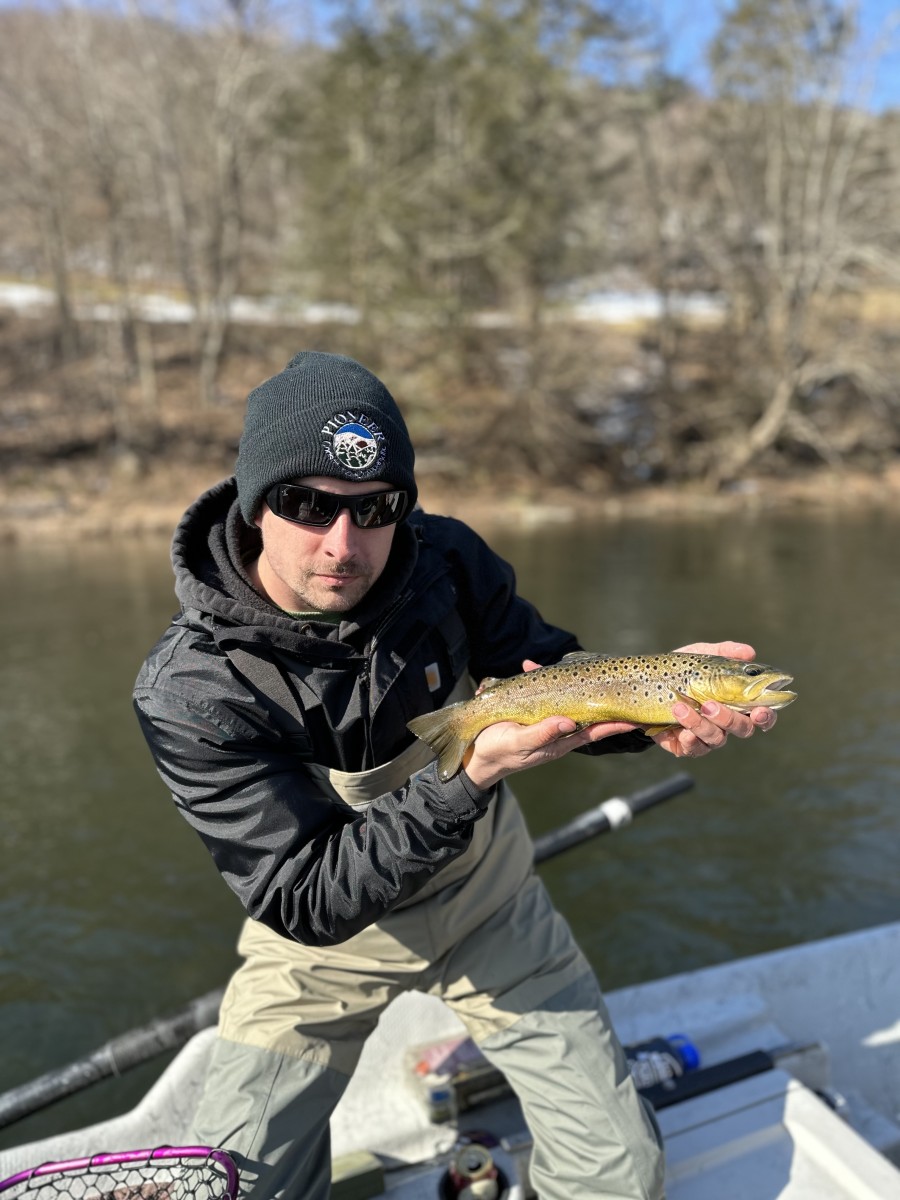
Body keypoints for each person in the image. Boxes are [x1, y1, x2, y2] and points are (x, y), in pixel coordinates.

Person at [133, 351, 778, 1200]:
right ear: (257, 505)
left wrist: (656, 711)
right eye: (307, 505)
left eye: (376, 509)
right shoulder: (193, 689)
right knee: (235, 1186)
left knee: (623, 1176)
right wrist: (465, 779)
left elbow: (551, 674)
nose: (343, 543)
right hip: (321, 950)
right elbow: (305, 897)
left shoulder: (446, 561)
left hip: (492, 900)